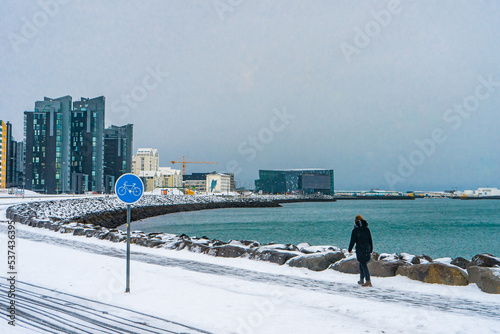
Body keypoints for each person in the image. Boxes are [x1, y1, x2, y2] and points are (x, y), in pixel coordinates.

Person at [348, 215, 373, 287]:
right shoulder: (367, 229)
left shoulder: (355, 230)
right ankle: (361, 280)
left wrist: (350, 249)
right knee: (362, 263)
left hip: (360, 249)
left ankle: (368, 281)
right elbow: (370, 240)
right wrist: (371, 249)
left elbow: (352, 241)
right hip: (367, 248)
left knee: (363, 264)